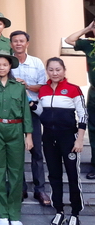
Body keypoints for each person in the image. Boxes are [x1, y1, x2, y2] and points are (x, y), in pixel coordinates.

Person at [0, 51, 33, 225]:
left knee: (16, 172)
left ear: (10, 66)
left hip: (16, 129)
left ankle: (14, 213)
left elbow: (26, 112)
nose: (1, 68)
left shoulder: (18, 86)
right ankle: (2, 213)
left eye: (5, 64)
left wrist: (29, 135)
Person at [35, 58, 87, 225]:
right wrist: (32, 105)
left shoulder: (73, 89)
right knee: (54, 175)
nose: (54, 73)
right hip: (49, 138)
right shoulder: (43, 90)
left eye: (58, 69)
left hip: (68, 139)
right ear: (47, 71)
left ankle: (75, 212)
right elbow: (42, 111)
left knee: (72, 176)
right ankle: (59, 210)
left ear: (64, 70)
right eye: (51, 70)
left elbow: (83, 115)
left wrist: (79, 140)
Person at [9, 30, 48, 206]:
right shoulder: (7, 62)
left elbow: (43, 86)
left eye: (21, 41)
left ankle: (40, 189)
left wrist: (27, 86)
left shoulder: (36, 62)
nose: (18, 44)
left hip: (32, 110)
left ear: (27, 44)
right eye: (15, 41)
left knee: (36, 151)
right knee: (16, 152)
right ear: (11, 44)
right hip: (13, 112)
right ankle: (21, 187)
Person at [64, 20, 95, 180]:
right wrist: (87, 28)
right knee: (94, 130)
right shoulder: (89, 44)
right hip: (94, 93)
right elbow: (69, 40)